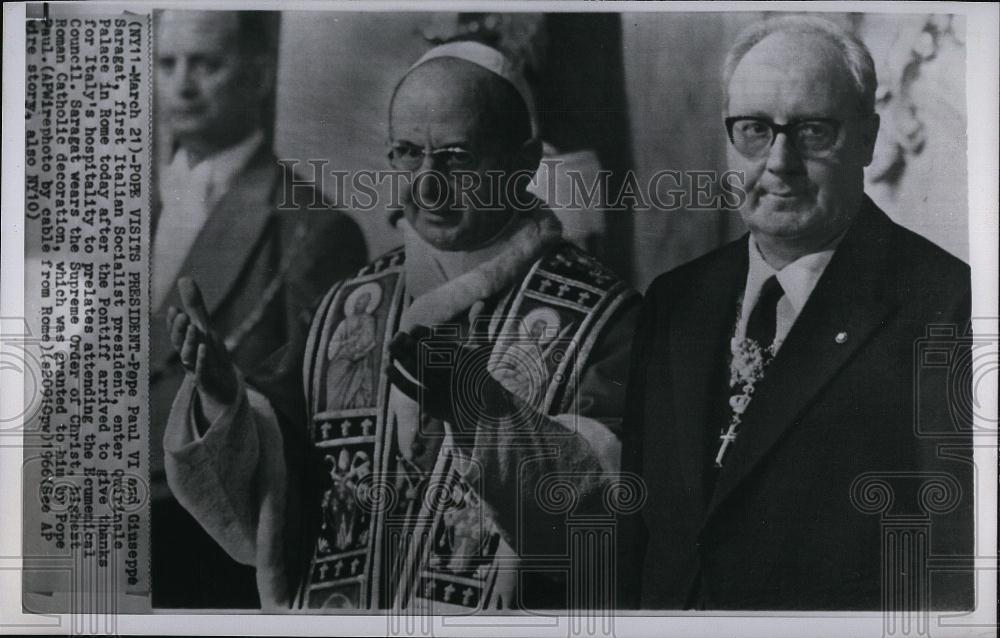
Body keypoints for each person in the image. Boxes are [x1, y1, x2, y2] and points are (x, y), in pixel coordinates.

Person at [162, 41, 639, 611]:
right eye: (409, 154)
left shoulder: (604, 317)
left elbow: (604, 522)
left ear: (525, 163)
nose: (428, 184)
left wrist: (480, 413)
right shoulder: (352, 304)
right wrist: (221, 401)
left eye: (456, 158)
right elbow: (274, 493)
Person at [620, 16, 973, 610]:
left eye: (812, 131)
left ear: (866, 140)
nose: (779, 161)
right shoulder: (674, 302)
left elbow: (949, 568)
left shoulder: (946, 306)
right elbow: (640, 531)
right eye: (755, 129)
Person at [149, 10, 367, 607]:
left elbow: (321, 428)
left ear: (260, 73)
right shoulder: (117, 203)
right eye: (167, 64)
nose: (182, 84)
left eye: (206, 63)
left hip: (207, 550)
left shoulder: (313, 228)